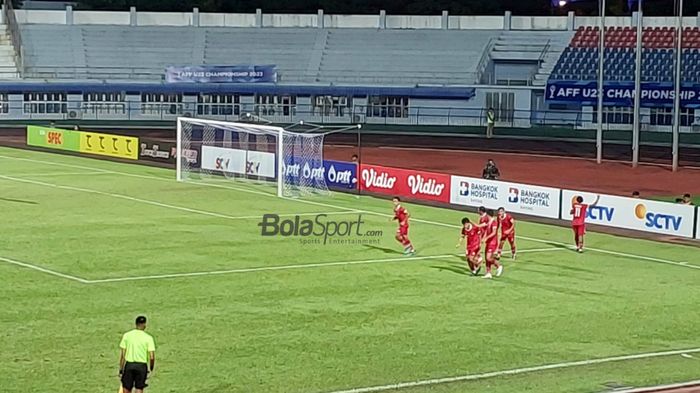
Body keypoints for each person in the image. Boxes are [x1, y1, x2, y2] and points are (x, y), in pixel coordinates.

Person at [119, 316, 156, 393]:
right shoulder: (148, 338)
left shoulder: (127, 335)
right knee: (139, 388)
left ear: (136, 324)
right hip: (141, 366)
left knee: (126, 388)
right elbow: (152, 357)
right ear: (145, 325)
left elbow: (123, 355)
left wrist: (121, 368)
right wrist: (151, 368)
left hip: (129, 365)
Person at [482, 209, 503, 279]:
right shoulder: (489, 222)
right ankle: (488, 273)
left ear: (488, 214)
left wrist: (486, 238)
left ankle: (498, 266)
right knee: (486, 257)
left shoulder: (494, 222)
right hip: (489, 242)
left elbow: (494, 233)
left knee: (488, 258)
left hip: (492, 242)